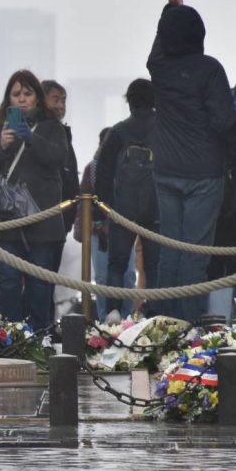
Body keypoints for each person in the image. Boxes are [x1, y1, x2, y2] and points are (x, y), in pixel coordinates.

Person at [146, 0, 235, 323]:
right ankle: (189, 326)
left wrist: (168, 12)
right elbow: (224, 122)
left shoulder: (160, 69)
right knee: (195, 254)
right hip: (203, 172)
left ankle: (165, 323)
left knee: (169, 251)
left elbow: (158, 48)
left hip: (166, 169)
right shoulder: (210, 69)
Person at [0, 70, 66, 332]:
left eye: (28, 93)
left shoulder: (51, 125)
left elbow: (58, 158)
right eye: (16, 94)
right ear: (8, 99)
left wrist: (31, 138)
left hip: (42, 222)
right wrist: (1, 145)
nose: (22, 99)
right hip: (8, 221)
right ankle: (11, 336)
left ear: (37, 97)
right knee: (8, 281)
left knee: (40, 285)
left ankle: (39, 337)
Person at [95, 78, 160, 320]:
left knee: (117, 265)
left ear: (129, 101)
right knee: (154, 266)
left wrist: (103, 210)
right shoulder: (163, 129)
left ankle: (113, 311)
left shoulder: (118, 132)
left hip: (122, 211)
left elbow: (102, 173)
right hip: (157, 212)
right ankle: (153, 313)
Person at [76, 127, 135, 321]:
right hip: (98, 231)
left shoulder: (129, 167)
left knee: (128, 278)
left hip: (125, 228)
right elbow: (82, 201)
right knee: (102, 279)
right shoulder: (92, 169)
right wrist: (81, 229)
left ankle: (127, 320)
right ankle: (104, 322)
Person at [42, 79, 79, 322]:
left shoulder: (64, 132)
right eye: (55, 99)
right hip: (42, 219)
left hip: (60, 220)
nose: (61, 105)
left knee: (50, 280)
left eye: (63, 99)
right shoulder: (42, 132)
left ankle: (47, 324)